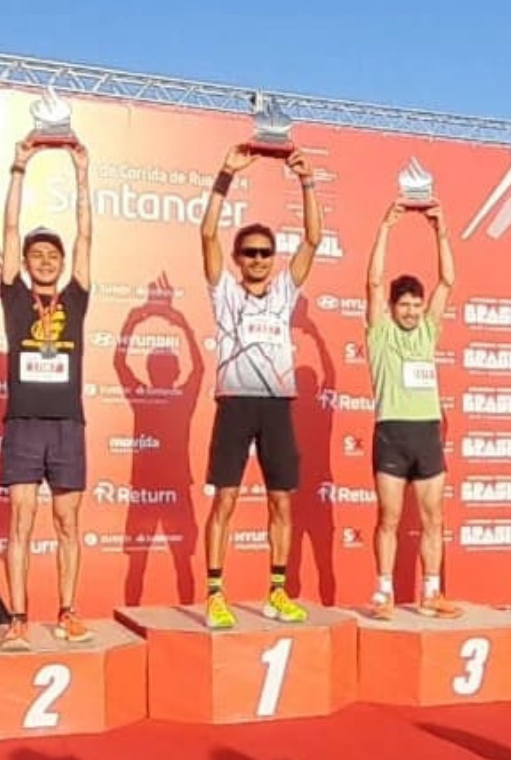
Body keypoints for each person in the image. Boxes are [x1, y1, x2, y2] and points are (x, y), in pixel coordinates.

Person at [198, 144, 320, 629]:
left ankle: (276, 591)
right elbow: (206, 232)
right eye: (248, 253)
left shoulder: (286, 290)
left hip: (276, 407)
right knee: (224, 500)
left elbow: (313, 238)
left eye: (265, 253)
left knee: (281, 501)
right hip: (234, 404)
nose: (257, 259)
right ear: (237, 258)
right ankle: (214, 594)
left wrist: (307, 181)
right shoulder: (224, 292)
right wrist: (224, 177)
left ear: (273, 258)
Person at [0, 136, 92, 651]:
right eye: (37, 253)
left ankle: (69, 611)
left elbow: (86, 238)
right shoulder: (14, 297)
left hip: (67, 425)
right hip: (23, 424)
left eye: (52, 253)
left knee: (67, 522)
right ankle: (17, 618)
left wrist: (81, 173)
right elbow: (10, 228)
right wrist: (20, 166)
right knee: (21, 522)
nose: (46, 259)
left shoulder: (76, 298)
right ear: (27, 262)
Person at [363, 200, 461, 620]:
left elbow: (448, 280)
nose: (410, 311)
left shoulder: (428, 330)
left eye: (415, 305)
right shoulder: (380, 333)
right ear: (392, 307)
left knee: (433, 519)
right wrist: (386, 225)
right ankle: (383, 592)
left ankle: (431, 592)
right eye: (403, 304)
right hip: (392, 432)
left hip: (426, 435)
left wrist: (439, 229)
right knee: (389, 517)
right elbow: (372, 281)